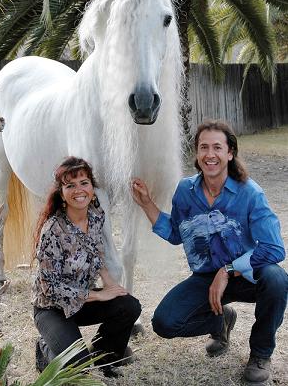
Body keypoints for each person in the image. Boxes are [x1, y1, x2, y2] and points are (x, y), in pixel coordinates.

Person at [132, 119, 288, 384]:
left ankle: (260, 354)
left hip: (248, 276)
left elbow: (274, 249)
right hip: (206, 279)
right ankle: (220, 321)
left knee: (277, 279)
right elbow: (176, 234)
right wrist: (147, 204)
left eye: (217, 147)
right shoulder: (185, 191)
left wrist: (228, 270)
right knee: (164, 323)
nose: (210, 154)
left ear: (230, 153)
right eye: (203, 147)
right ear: (197, 153)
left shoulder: (250, 194)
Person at [32, 156, 141, 378]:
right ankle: (45, 350)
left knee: (129, 305)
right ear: (61, 193)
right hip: (52, 308)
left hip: (82, 303)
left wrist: (110, 284)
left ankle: (104, 359)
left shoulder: (96, 216)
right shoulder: (52, 230)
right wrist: (98, 295)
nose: (78, 190)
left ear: (92, 188)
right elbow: (50, 288)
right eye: (70, 185)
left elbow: (96, 250)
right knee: (77, 368)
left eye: (84, 182)